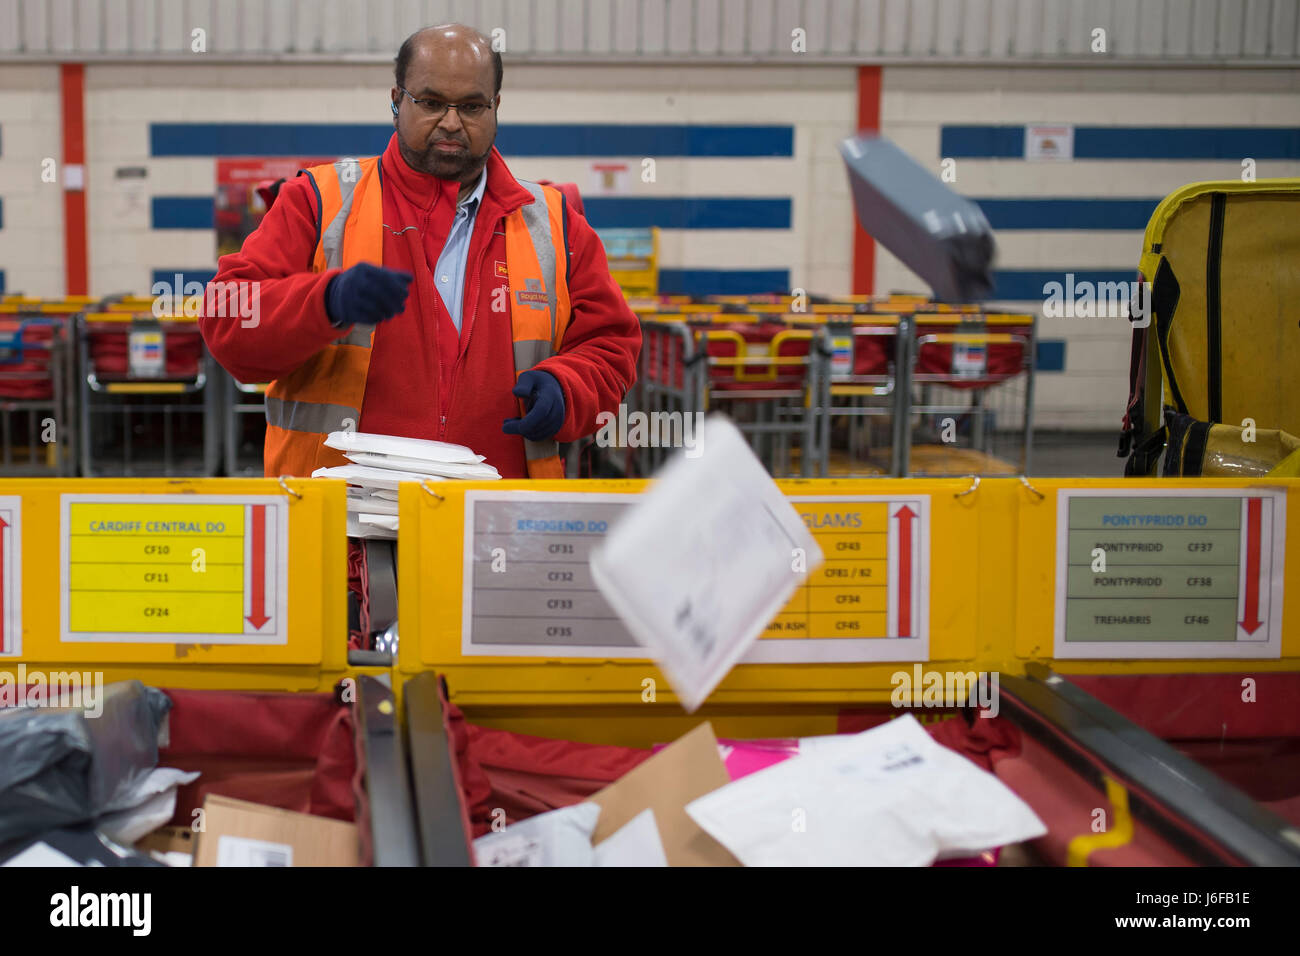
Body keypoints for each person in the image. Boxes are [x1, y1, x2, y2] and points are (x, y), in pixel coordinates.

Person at [199, 23, 641, 480]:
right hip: (336, 526)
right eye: (430, 102)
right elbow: (229, 320)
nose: (451, 122)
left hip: (498, 524)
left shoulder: (555, 223)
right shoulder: (317, 200)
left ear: (496, 108)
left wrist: (569, 389)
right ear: (396, 100)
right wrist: (322, 303)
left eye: (471, 106)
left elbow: (611, 345)